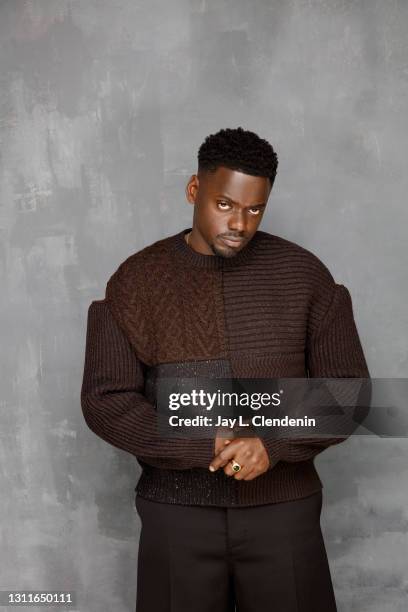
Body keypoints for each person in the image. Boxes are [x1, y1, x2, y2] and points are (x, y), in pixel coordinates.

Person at [80, 127, 370, 611]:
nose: (240, 223)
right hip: (176, 514)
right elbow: (104, 402)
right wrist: (203, 438)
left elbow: (354, 394)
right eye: (225, 205)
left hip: (284, 512)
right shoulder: (135, 280)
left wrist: (271, 443)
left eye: (255, 209)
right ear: (195, 191)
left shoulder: (305, 275)